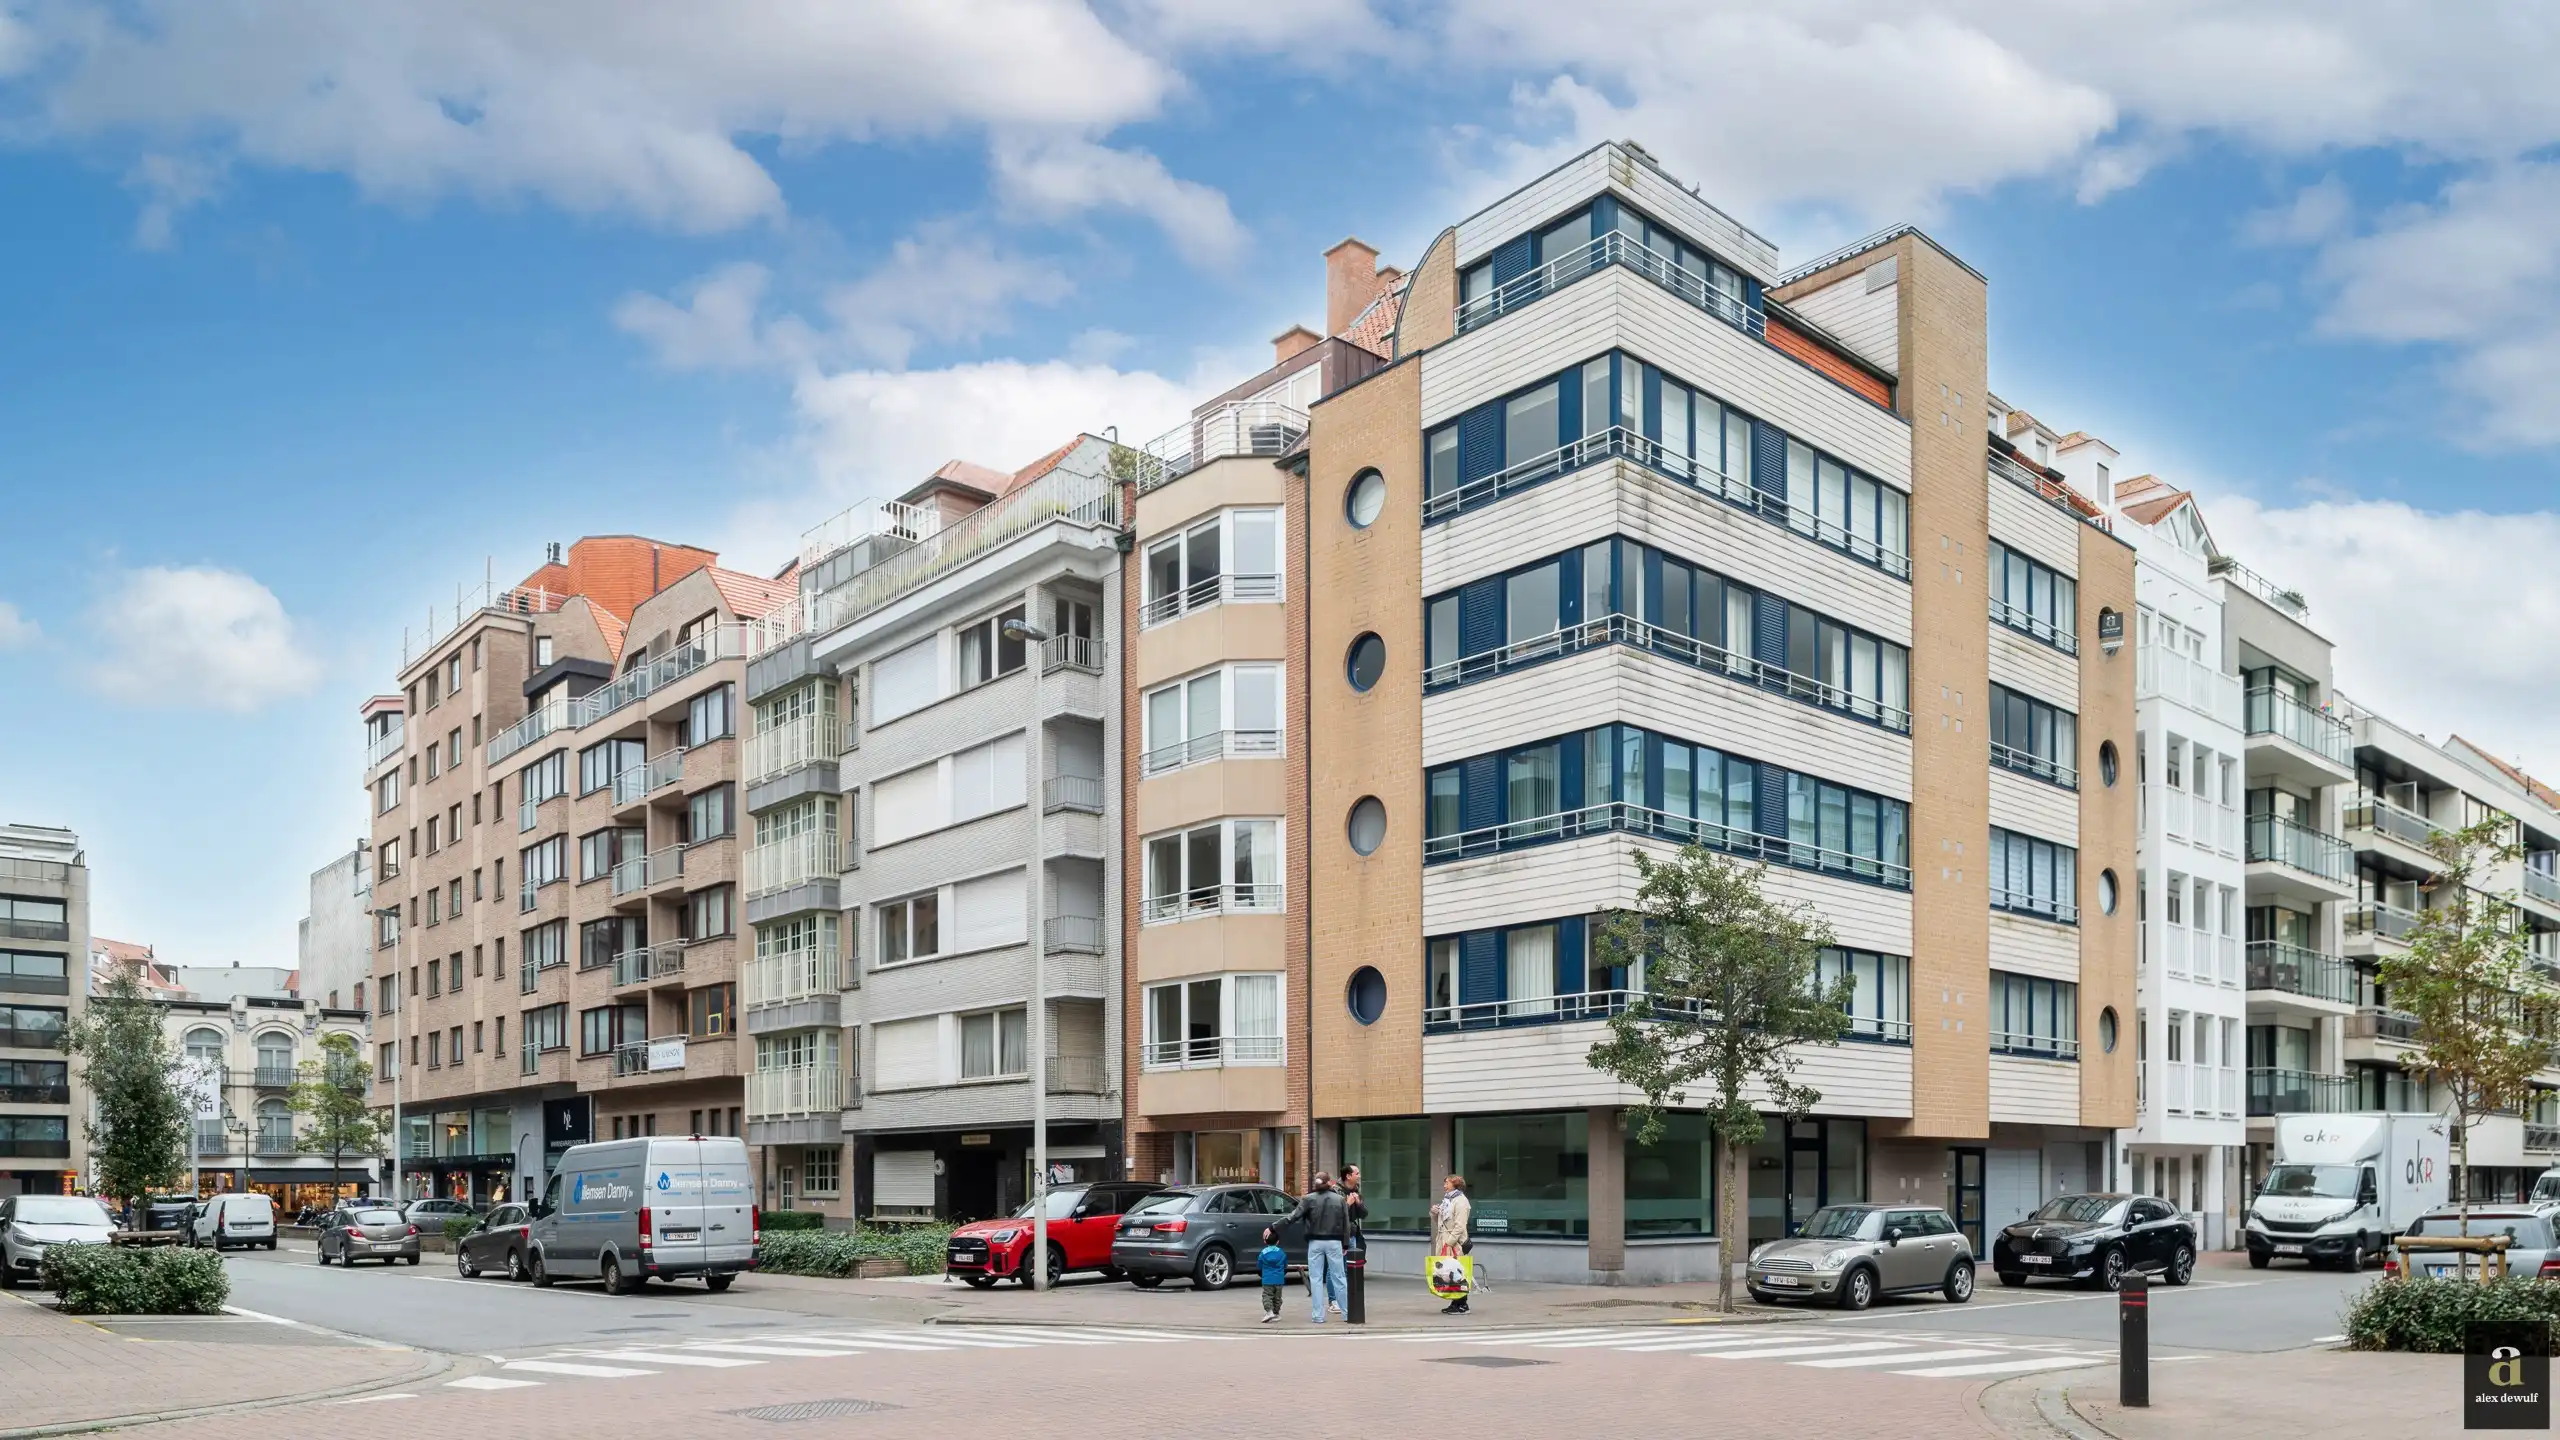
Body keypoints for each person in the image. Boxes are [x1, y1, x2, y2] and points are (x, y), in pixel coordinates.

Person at [1279, 1171, 1351, 1324]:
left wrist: (1274, 1228)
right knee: (1339, 1277)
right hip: (1334, 1241)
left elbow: (1292, 1217)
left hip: (1315, 1242)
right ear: (1330, 1182)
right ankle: (1346, 1313)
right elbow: (1346, 1224)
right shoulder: (1340, 1200)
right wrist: (1345, 1243)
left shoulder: (1308, 1199)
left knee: (1316, 1279)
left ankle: (1318, 1315)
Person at [1432, 1174, 1473, 1315]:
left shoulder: (1461, 1201)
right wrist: (1434, 1213)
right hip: (1445, 1240)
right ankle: (1455, 1302)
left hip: (1454, 1243)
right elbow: (1441, 1221)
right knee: (1449, 1272)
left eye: (1447, 1183)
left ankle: (1462, 1304)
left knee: (1458, 1272)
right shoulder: (1447, 1201)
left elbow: (1460, 1226)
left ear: (1455, 1184)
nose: (1444, 1186)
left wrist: (1449, 1242)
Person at [1256, 1228, 1288, 1324]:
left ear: (1265, 1241)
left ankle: (1269, 1312)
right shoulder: (1281, 1252)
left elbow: (1259, 1265)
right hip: (1279, 1279)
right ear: (1278, 1242)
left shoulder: (1263, 1253)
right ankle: (1276, 1313)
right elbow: (1285, 1264)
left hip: (1267, 1279)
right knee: (1277, 1297)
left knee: (1267, 1295)